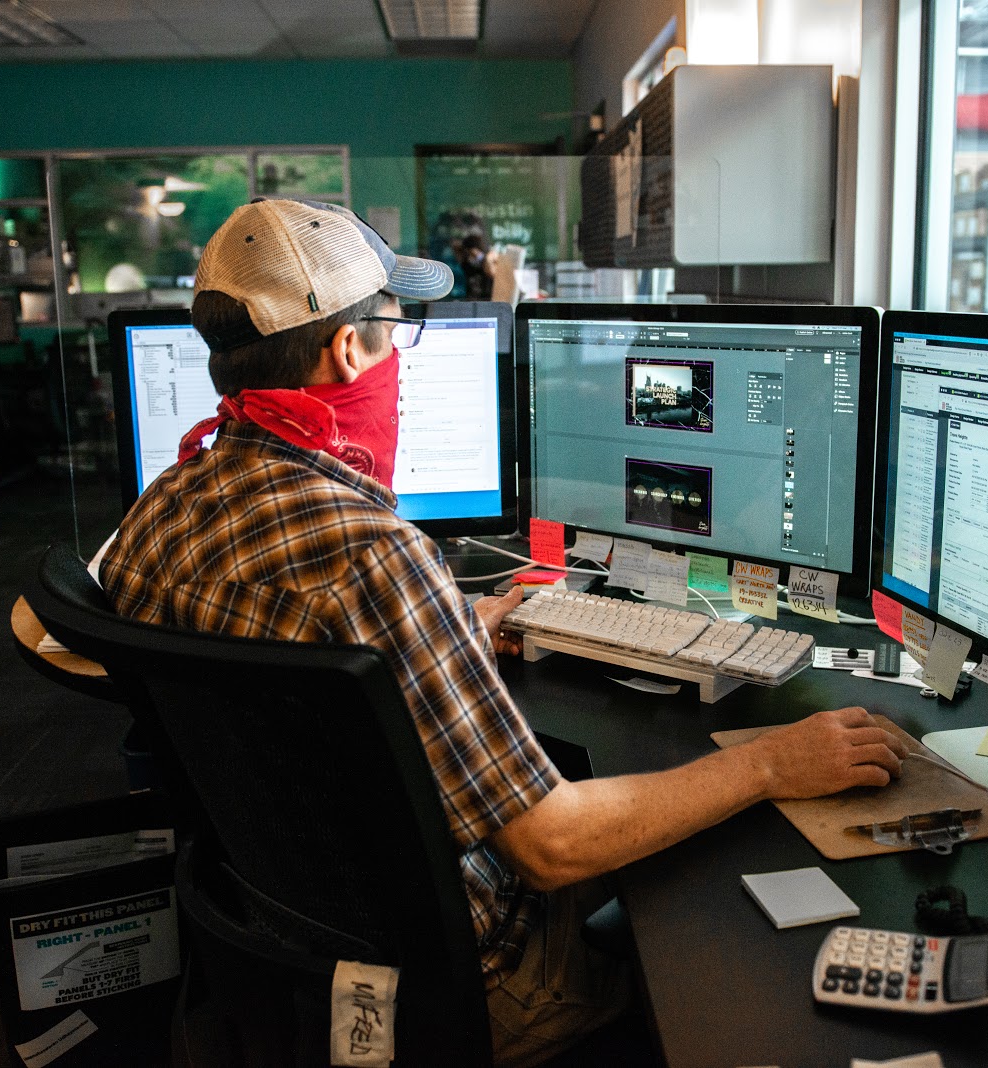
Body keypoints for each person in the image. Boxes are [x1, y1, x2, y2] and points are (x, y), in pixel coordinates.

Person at [99, 196, 908, 1067]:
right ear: (348, 350)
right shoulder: (371, 556)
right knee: (731, 935)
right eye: (395, 330)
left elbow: (279, 676)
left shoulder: (160, 509)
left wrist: (442, 637)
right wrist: (771, 762)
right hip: (479, 986)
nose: (400, 357)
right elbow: (552, 846)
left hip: (285, 939)